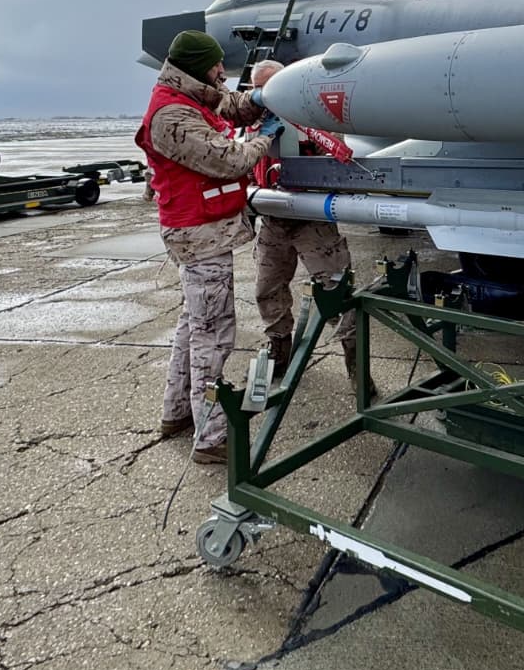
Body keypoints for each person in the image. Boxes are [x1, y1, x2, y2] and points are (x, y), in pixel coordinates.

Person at [136, 30, 278, 465]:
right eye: (217, 65)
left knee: (192, 325)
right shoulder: (172, 116)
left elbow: (230, 104)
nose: (223, 72)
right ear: (199, 66)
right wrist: (264, 136)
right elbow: (229, 160)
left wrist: (262, 98)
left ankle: (176, 413)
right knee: (213, 334)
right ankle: (212, 437)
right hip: (198, 236)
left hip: (203, 232)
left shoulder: (192, 95)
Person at [247, 59, 374, 399]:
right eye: (258, 89)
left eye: (272, 87)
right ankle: (279, 349)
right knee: (267, 289)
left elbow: (337, 160)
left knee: (337, 294)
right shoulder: (252, 127)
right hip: (273, 223)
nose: (265, 95)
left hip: (312, 223)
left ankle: (357, 367)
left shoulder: (312, 121)